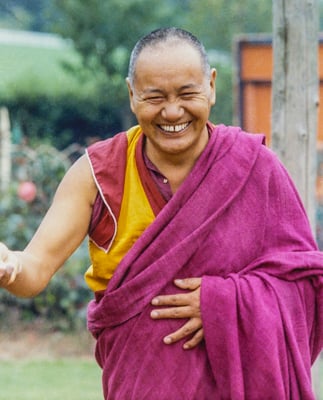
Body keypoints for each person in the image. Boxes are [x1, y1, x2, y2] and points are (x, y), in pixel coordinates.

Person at [0, 27, 322, 399]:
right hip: (141, 385)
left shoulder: (254, 167)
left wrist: (223, 304)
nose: (172, 111)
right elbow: (35, 270)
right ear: (132, 94)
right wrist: (10, 265)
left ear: (212, 86)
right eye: (155, 96)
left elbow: (305, 285)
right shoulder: (99, 174)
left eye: (187, 94)